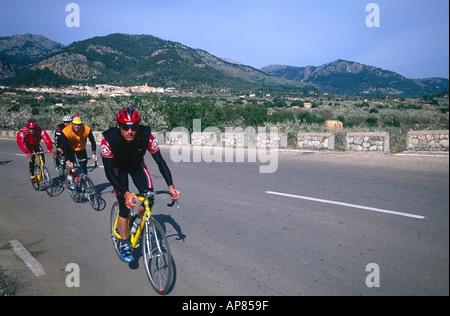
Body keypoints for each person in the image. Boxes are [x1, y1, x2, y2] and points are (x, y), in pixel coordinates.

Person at [101, 107, 180, 263]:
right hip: (118, 169)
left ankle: (138, 220)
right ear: (118, 126)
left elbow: (160, 162)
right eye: (125, 127)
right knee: (125, 206)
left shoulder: (146, 136)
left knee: (148, 199)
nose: (130, 131)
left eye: (134, 127)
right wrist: (126, 193)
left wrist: (171, 186)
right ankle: (124, 243)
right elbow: (109, 173)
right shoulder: (108, 140)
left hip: (137, 166)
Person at [60, 115, 98, 188]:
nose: (77, 126)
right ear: (71, 123)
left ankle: (85, 184)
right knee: (70, 164)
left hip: (81, 148)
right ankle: (70, 176)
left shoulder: (86, 129)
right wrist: (67, 160)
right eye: (75, 124)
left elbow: (93, 141)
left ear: (81, 124)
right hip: (70, 148)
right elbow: (64, 147)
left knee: (84, 166)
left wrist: (93, 153)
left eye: (79, 124)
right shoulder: (65, 131)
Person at [16, 118, 54, 183]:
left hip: (36, 145)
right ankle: (32, 175)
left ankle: (41, 171)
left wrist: (50, 148)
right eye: (30, 128)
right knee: (32, 157)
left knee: (42, 156)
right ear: (27, 127)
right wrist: (27, 152)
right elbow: (21, 143)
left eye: (34, 128)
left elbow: (47, 139)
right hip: (27, 146)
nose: (32, 130)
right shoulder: (22, 132)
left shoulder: (40, 130)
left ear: (36, 127)